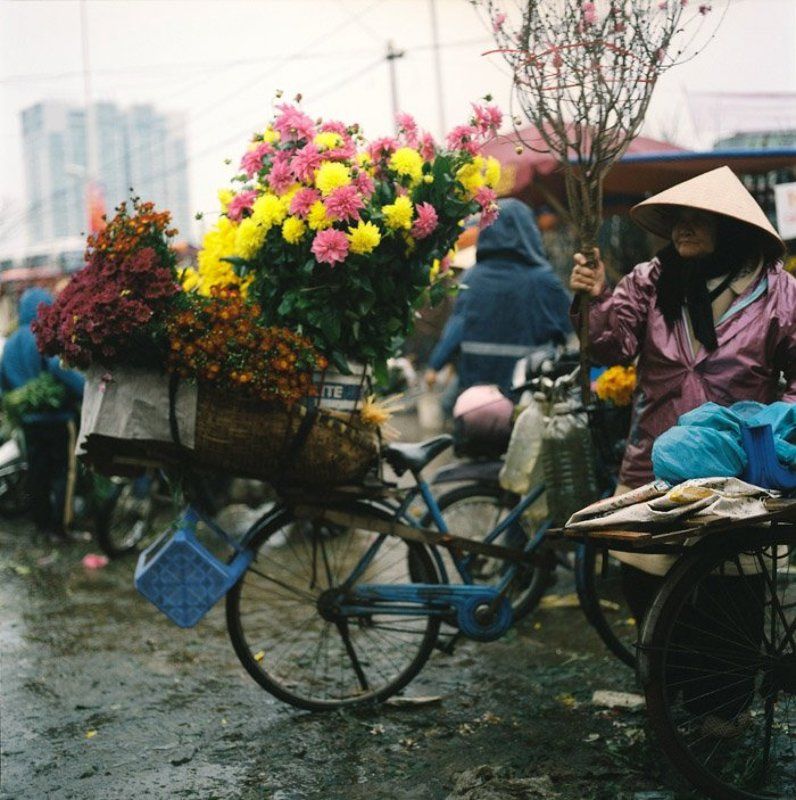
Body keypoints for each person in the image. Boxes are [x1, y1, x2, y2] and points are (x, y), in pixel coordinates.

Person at [570, 165, 796, 733]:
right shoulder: (650, 281)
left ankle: (722, 710)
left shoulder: (777, 292)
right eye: (678, 219)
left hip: (738, 465)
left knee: (731, 589)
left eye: (699, 219)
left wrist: (776, 422)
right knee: (643, 575)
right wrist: (594, 295)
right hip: (654, 455)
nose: (683, 229)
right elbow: (608, 343)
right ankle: (678, 688)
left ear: (733, 228)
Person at [425, 198, 572, 404]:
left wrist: (435, 365)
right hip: (525, 402)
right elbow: (571, 326)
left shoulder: (470, 279)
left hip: (476, 404)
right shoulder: (543, 281)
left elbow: (456, 328)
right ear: (529, 231)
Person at [0, 287, 85, 541]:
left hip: (28, 420)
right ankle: (61, 528)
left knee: (38, 472)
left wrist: (11, 401)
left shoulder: (13, 341)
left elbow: (2, 380)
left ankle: (41, 524)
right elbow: (62, 372)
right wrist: (86, 392)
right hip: (57, 419)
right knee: (64, 473)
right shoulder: (44, 337)